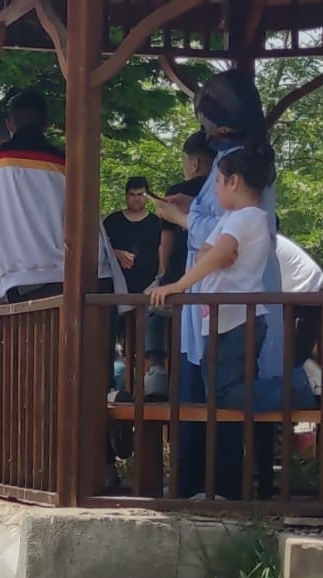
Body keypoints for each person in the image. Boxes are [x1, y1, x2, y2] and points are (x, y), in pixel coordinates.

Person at [148, 145, 323, 412]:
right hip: (221, 319)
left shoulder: (249, 217)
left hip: (235, 320)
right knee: (222, 393)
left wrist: (179, 285)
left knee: (224, 396)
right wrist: (217, 253)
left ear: (234, 182)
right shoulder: (231, 219)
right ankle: (303, 385)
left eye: (218, 182)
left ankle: (303, 384)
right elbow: (206, 253)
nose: (216, 189)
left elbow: (216, 254)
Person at [0, 89, 125, 305]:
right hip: (72, 273)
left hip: (16, 276)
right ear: (47, 124)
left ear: (9, 124)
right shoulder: (67, 165)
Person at [148, 132, 216, 398]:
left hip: (183, 275)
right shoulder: (221, 194)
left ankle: (156, 366)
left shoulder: (178, 192)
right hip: (217, 286)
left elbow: (166, 241)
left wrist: (163, 274)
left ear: (195, 163)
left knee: (153, 307)